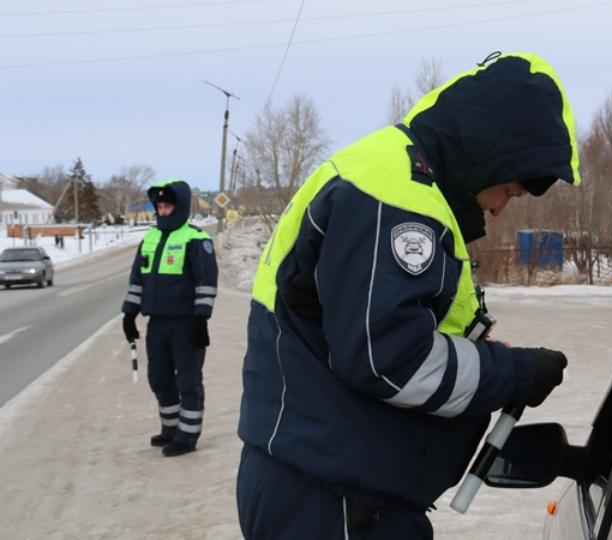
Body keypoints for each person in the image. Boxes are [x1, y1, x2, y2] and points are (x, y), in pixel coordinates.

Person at [235, 52, 579, 539]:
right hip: (336, 502)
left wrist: (480, 356)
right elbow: (390, 359)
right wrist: (513, 373)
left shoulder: (394, 178)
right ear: (492, 154)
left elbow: (379, 332)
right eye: (509, 190)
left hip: (332, 488)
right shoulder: (398, 195)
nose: (502, 208)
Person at [121, 179, 218, 457]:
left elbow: (206, 282)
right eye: (159, 207)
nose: (162, 212)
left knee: (188, 381)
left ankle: (187, 436)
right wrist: (129, 314)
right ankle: (171, 428)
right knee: (159, 378)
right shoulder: (149, 239)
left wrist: (201, 320)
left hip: (186, 324)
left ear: (180, 207)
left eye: (167, 207)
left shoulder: (196, 239)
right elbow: (137, 281)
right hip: (157, 324)